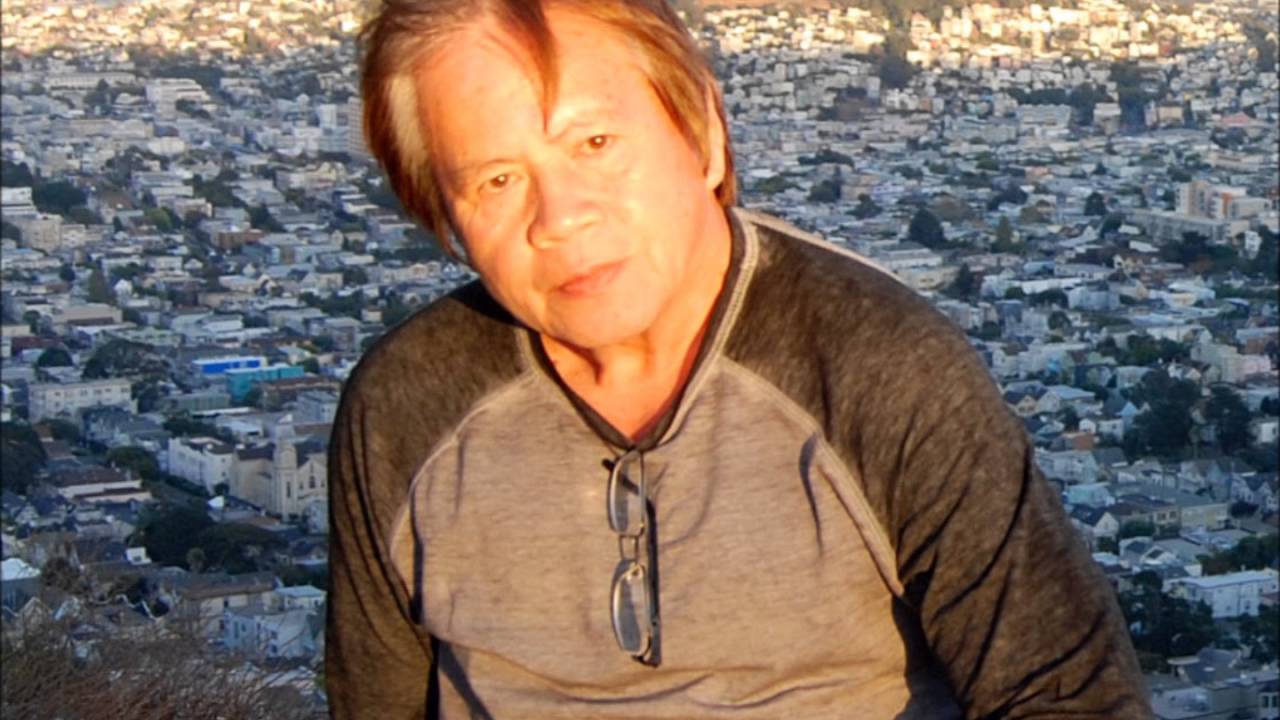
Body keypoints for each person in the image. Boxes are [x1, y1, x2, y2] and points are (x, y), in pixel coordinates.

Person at [327, 1, 1152, 717]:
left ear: (703, 135)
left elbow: (1067, 696)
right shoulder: (409, 408)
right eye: (497, 181)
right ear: (446, 220)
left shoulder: (876, 369)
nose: (561, 217)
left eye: (596, 142)